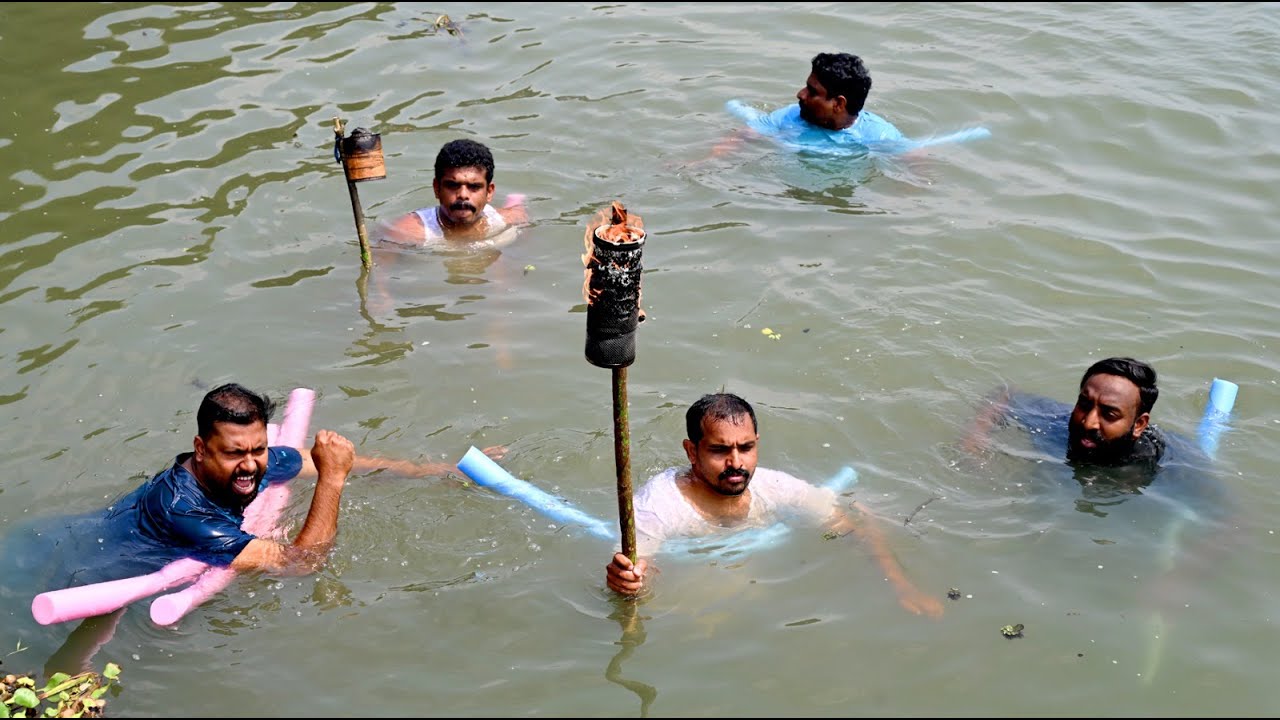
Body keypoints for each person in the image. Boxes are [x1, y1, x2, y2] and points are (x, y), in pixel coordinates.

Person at [604, 393, 944, 618]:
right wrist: (629, 583)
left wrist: (902, 587)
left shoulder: (777, 487)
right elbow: (637, 568)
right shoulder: (657, 507)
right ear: (692, 451)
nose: (736, 463)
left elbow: (854, 531)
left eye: (746, 448)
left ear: (757, 444)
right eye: (719, 450)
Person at [718, 52, 989, 159]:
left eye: (812, 91)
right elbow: (745, 134)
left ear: (838, 103)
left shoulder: (877, 134)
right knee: (744, 113)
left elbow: (915, 156)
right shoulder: (792, 116)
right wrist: (707, 163)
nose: (800, 94)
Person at [963, 357, 1168, 471]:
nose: (1088, 422)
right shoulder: (1054, 424)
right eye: (1084, 404)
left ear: (1139, 425)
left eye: (1109, 414)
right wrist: (974, 439)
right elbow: (1005, 394)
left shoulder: (1161, 461)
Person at [376, 138, 527, 248]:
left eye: (474, 186)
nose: (463, 195)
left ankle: (515, 199)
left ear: (489, 192)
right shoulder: (407, 232)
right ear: (437, 188)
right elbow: (380, 273)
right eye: (453, 185)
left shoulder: (509, 220)